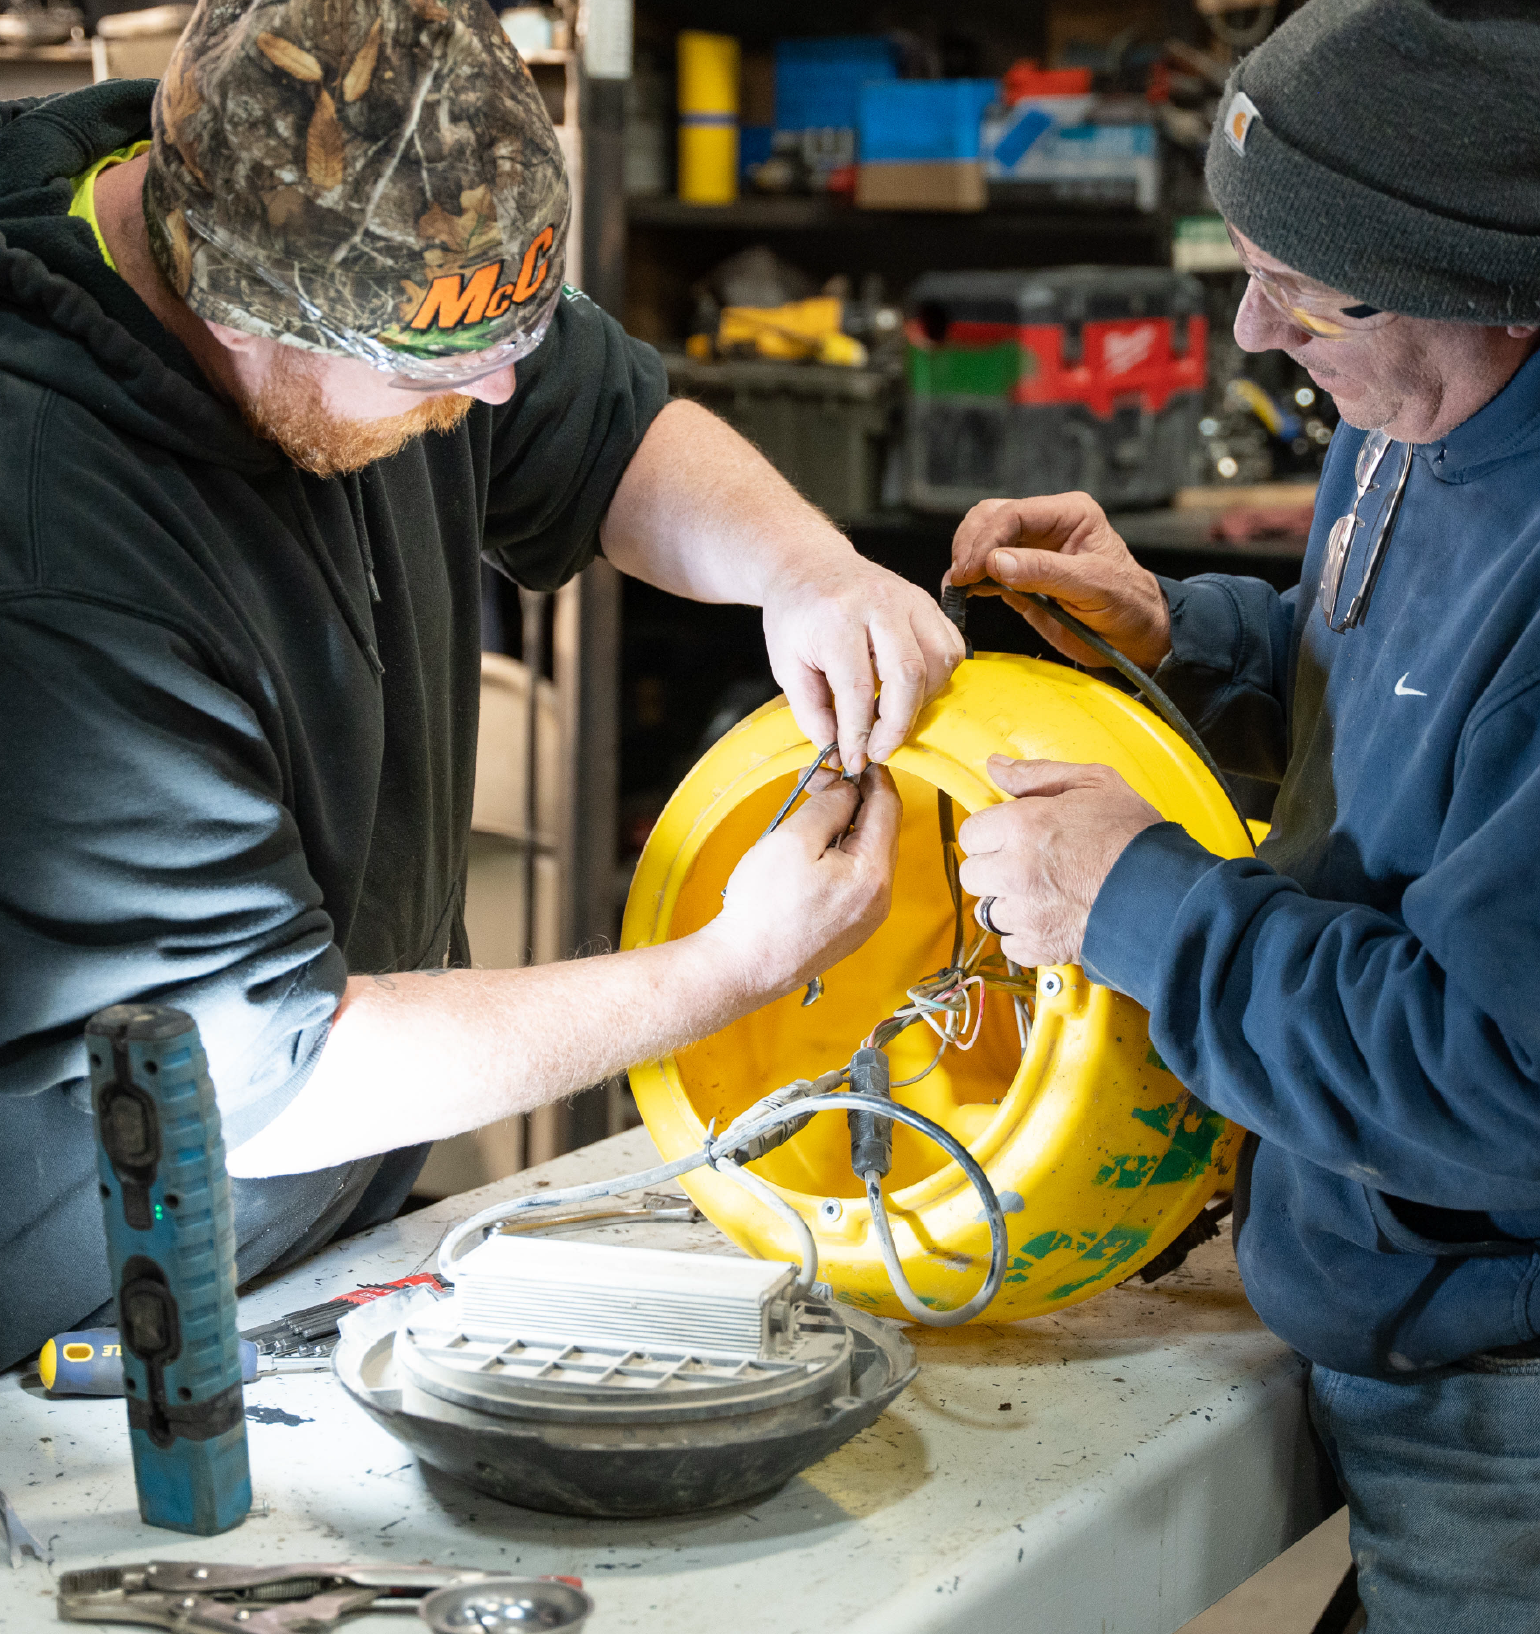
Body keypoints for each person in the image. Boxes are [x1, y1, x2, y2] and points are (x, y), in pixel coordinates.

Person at [0, 0, 963, 1369]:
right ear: (241, 312)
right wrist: (733, 964)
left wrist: (809, 569)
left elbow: (601, 429)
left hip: (310, 1229)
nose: (501, 398)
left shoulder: (352, 248)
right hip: (88, 1315)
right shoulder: (52, 549)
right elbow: (283, 1071)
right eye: (442, 372)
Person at [947, 2, 1540, 1634]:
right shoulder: (1444, 373)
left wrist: (1138, 906)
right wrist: (1182, 633)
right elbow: (1436, 701)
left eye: (1303, 289)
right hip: (1397, 1306)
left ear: (1493, 279)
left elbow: (1524, 1084)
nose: (1257, 335)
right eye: (1250, 265)